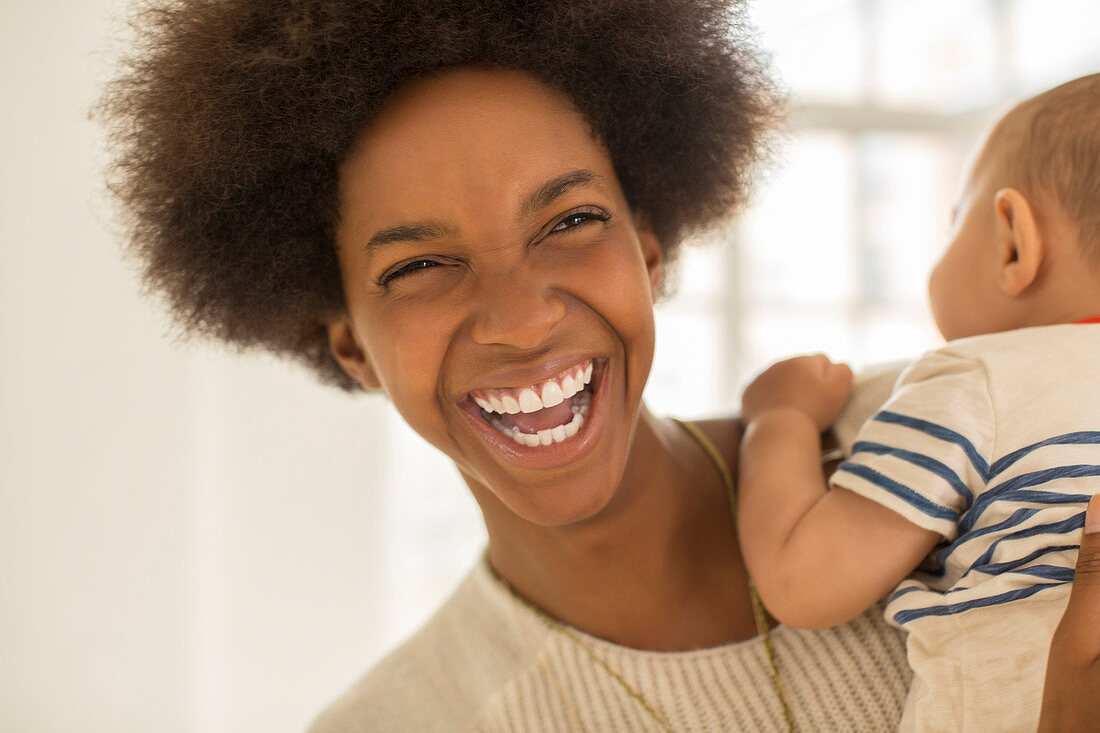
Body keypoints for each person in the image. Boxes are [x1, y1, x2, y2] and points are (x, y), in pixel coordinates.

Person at [98, 1, 1100, 730]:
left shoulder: (967, 425)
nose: (521, 320)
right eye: (418, 265)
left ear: (647, 248)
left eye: (570, 221)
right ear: (350, 341)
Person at [736, 74, 1100, 732]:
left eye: (955, 220)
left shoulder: (978, 381)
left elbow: (803, 580)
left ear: (1012, 242)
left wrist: (779, 418)